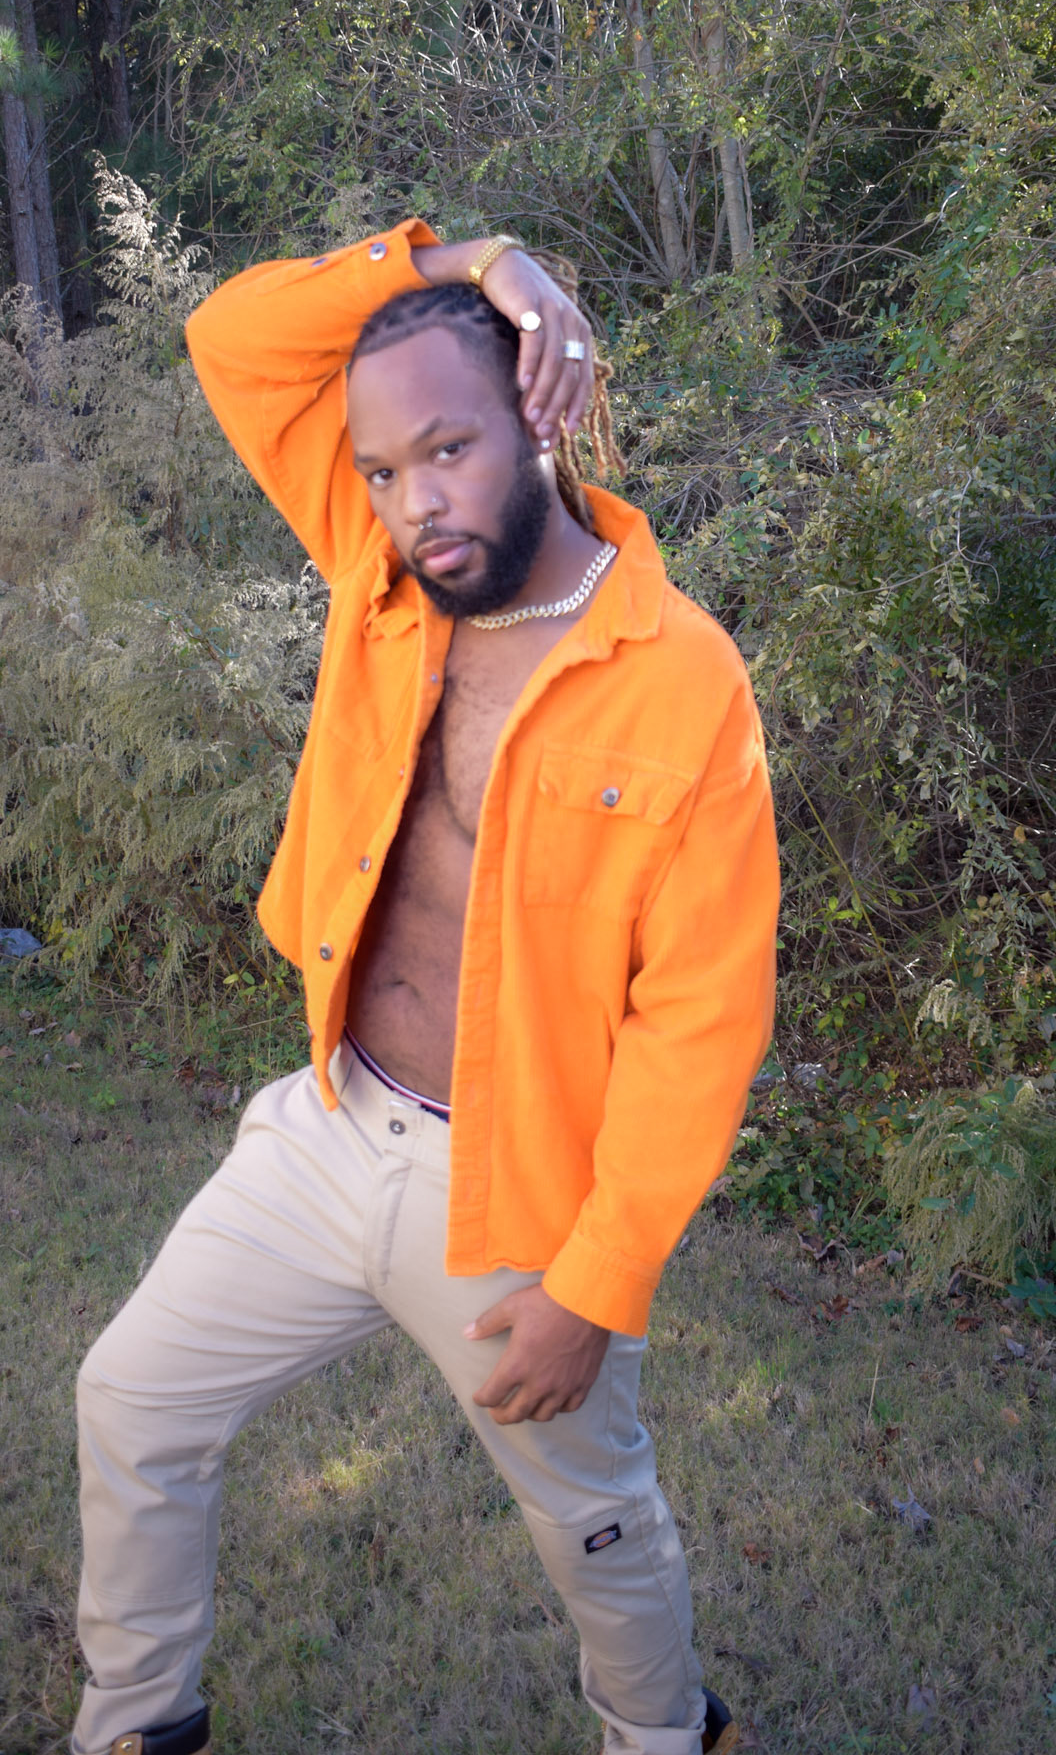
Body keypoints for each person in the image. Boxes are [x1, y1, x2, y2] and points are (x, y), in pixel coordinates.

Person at [72, 223, 780, 1755]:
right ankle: (137, 1727)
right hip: (331, 1128)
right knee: (132, 1400)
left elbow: (701, 1019)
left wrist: (596, 1286)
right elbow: (230, 338)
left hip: (515, 1199)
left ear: (540, 410)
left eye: (447, 451)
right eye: (383, 471)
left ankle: (665, 1735)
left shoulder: (680, 676)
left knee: (592, 1522)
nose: (413, 504)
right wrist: (471, 256)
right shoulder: (383, 569)